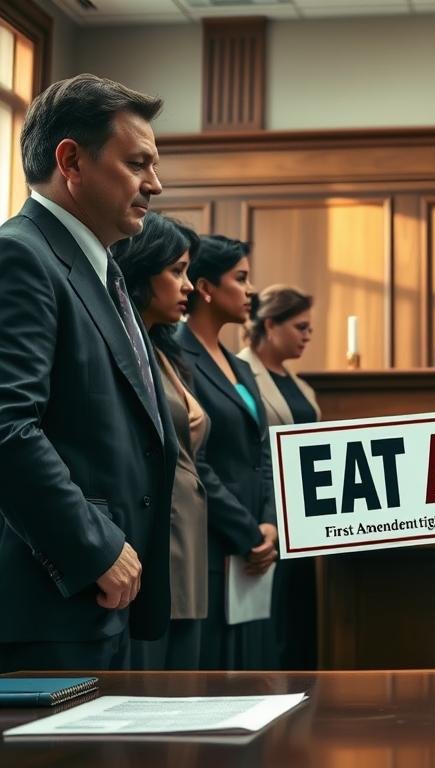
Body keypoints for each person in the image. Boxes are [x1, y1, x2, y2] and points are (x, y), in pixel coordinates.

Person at [0, 75, 176, 672]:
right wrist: (96, 547)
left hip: (103, 602)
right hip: (54, 600)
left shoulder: (104, 268)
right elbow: (6, 429)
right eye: (137, 164)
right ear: (71, 161)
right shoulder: (22, 256)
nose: (155, 183)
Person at [174, 235, 278, 670]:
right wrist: (246, 531)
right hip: (214, 542)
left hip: (257, 543)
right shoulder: (177, 356)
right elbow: (193, 460)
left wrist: (272, 522)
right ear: (205, 288)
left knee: (256, 672)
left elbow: (264, 450)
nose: (251, 290)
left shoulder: (239, 365)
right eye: (241, 278)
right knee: (217, 676)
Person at [112, 212, 209, 670]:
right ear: (142, 268)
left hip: (188, 546)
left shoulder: (166, 351)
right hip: (152, 546)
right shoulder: (124, 346)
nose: (188, 285)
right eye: (177, 271)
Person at [238, 285, 321, 669]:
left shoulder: (301, 384)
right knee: (270, 630)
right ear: (270, 324)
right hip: (266, 512)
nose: (308, 336)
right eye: (300, 327)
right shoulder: (238, 372)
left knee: (302, 621)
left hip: (306, 520)